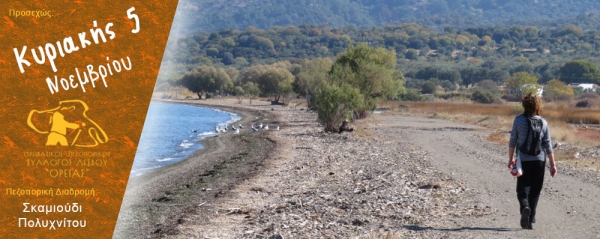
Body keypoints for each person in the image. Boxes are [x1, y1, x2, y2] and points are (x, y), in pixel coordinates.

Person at [507, 93, 557, 229]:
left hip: (523, 160)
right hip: (539, 160)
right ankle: (530, 219)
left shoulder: (518, 120)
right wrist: (553, 165)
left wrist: (511, 159)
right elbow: (548, 144)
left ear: (524, 105)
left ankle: (525, 207)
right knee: (536, 189)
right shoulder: (543, 122)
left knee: (522, 189)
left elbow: (513, 141)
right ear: (538, 105)